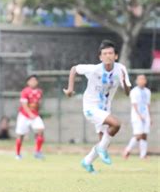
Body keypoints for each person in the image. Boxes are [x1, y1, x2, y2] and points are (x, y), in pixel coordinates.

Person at [64, 40, 131, 173]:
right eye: (105, 53)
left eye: (110, 53)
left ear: (115, 56)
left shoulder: (121, 69)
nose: (108, 56)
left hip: (105, 109)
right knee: (116, 124)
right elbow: (74, 69)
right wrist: (70, 89)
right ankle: (100, 150)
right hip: (90, 107)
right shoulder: (94, 69)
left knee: (104, 141)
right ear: (100, 57)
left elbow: (127, 93)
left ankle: (87, 162)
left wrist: (125, 83)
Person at [15, 75, 45, 160]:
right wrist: (29, 113)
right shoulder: (25, 91)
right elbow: (24, 104)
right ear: (28, 82)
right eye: (31, 80)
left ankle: (37, 152)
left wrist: (36, 113)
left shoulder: (39, 92)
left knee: (40, 129)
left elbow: (38, 104)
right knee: (20, 135)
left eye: (35, 80)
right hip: (24, 115)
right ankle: (17, 154)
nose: (33, 82)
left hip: (34, 115)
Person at [123, 74, 151, 159]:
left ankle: (143, 155)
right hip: (137, 116)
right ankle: (127, 150)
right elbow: (134, 104)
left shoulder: (147, 91)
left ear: (145, 81)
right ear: (137, 81)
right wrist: (139, 115)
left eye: (143, 79)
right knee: (138, 135)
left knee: (144, 135)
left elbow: (148, 104)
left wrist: (149, 116)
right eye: (140, 79)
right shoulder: (134, 91)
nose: (142, 81)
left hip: (146, 115)